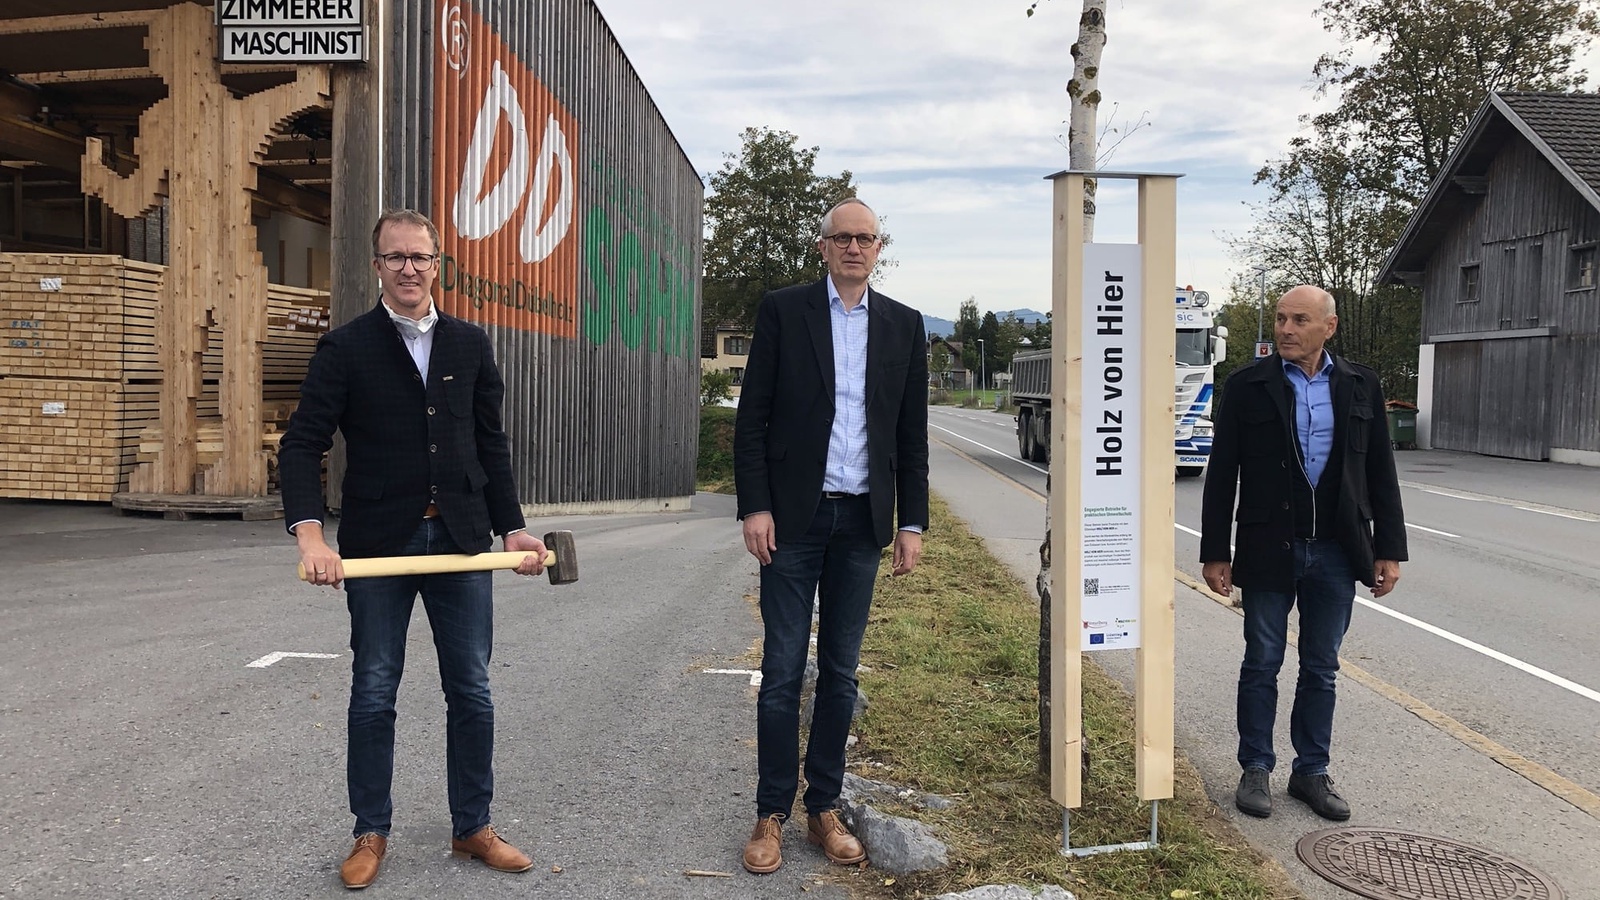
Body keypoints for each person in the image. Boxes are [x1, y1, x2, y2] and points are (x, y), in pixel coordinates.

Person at [278, 209, 547, 889]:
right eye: (394, 257)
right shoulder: (346, 349)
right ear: (377, 267)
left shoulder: (469, 345)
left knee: (473, 691)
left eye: (419, 257)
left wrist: (512, 526)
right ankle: (370, 831)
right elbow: (302, 443)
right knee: (373, 691)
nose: (408, 268)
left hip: (460, 541)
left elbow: (491, 447)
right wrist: (310, 535)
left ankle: (472, 828)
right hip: (379, 545)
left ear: (437, 266)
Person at [733, 197, 930, 874]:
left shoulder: (904, 326)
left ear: (880, 248)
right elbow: (752, 417)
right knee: (784, 669)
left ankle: (823, 809)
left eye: (865, 238)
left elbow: (911, 435)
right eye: (842, 237)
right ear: (821, 247)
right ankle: (769, 814)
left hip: (862, 522)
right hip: (793, 519)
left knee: (841, 672)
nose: (854, 247)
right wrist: (755, 507)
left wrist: (912, 521)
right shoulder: (785, 312)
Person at [1200, 284, 1407, 822]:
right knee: (1261, 662)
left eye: (1299, 320)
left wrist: (1390, 548)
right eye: (1280, 319)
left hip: (1338, 552)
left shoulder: (1361, 384)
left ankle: (1310, 772)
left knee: (1322, 667)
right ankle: (1255, 768)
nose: (1286, 330)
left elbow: (1380, 473)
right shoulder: (1247, 387)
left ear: (1328, 328)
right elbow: (1222, 477)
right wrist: (1215, 551)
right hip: (1268, 547)